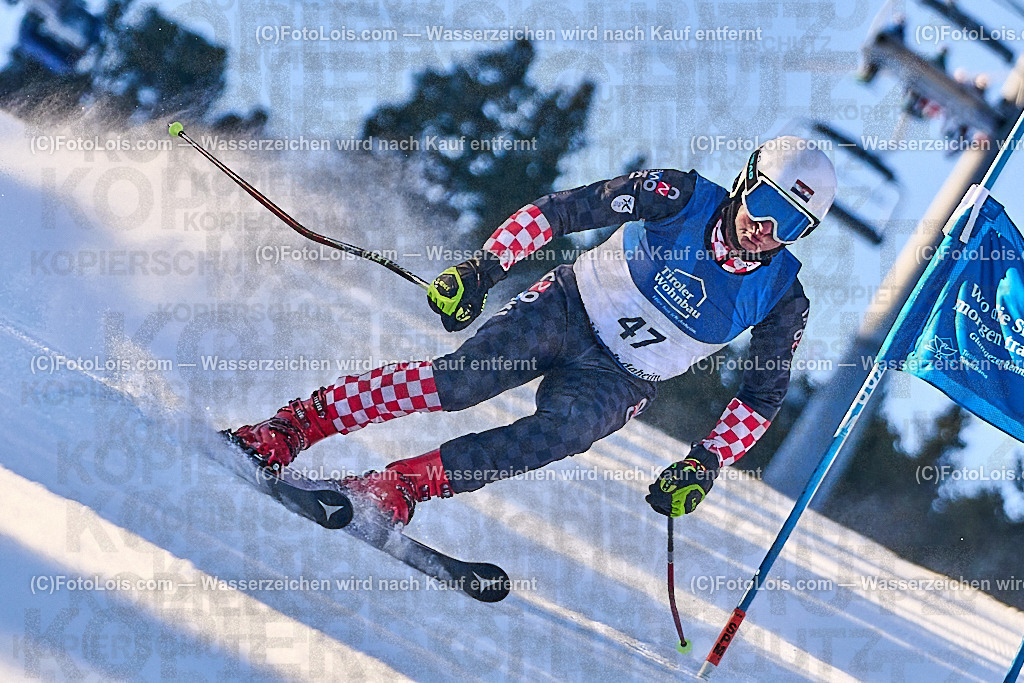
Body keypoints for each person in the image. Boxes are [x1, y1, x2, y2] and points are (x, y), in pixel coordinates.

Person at [228, 136, 837, 526]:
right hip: (568, 309)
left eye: (790, 221)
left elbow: (761, 396)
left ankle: (399, 487)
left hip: (622, 378)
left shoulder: (782, 296)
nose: (766, 228)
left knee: (559, 434)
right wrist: (484, 268)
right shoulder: (677, 195)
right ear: (745, 182)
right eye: (766, 204)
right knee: (460, 383)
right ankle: (293, 427)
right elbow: (562, 212)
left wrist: (704, 463)